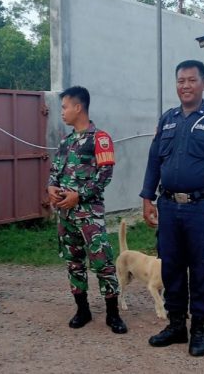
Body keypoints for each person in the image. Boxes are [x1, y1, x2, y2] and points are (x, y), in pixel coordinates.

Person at [140, 60, 204, 356]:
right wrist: (147, 198)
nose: (185, 85)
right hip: (168, 207)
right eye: (180, 81)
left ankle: (199, 330)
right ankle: (176, 327)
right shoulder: (168, 119)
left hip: (203, 208)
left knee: (201, 270)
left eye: (191, 80)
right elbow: (154, 161)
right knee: (170, 269)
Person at [48, 86, 127, 334]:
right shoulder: (65, 141)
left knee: (102, 262)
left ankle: (112, 314)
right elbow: (55, 172)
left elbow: (105, 175)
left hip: (89, 213)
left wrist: (78, 195)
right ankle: (82, 309)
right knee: (74, 263)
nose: (61, 112)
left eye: (64, 107)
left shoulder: (100, 139)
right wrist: (50, 188)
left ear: (78, 107)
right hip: (66, 215)